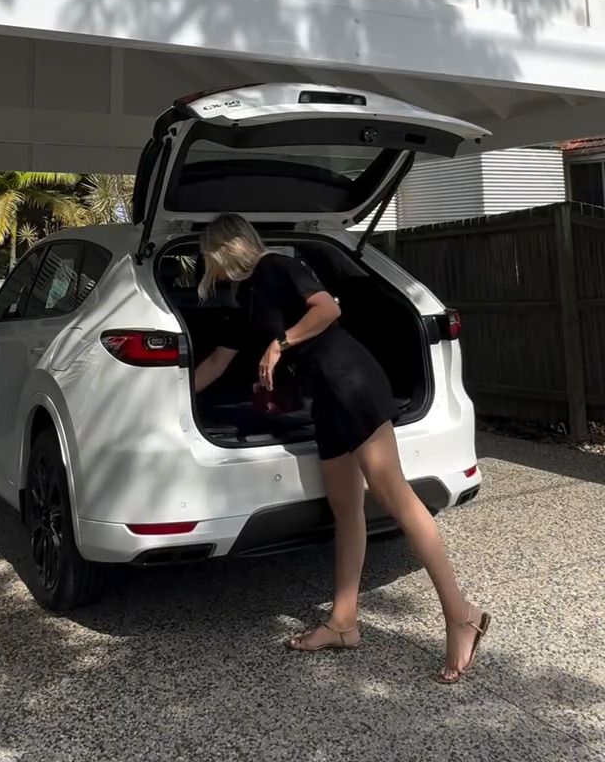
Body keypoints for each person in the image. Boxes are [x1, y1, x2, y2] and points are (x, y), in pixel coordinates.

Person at [194, 214, 490, 682]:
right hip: (326, 399)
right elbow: (216, 361)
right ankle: (343, 622)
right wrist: (169, 396)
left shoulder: (277, 266)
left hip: (351, 382)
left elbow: (327, 309)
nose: (207, 265)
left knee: (395, 498)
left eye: (208, 255)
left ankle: (460, 613)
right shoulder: (244, 296)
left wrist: (279, 343)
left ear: (222, 249)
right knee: (346, 509)